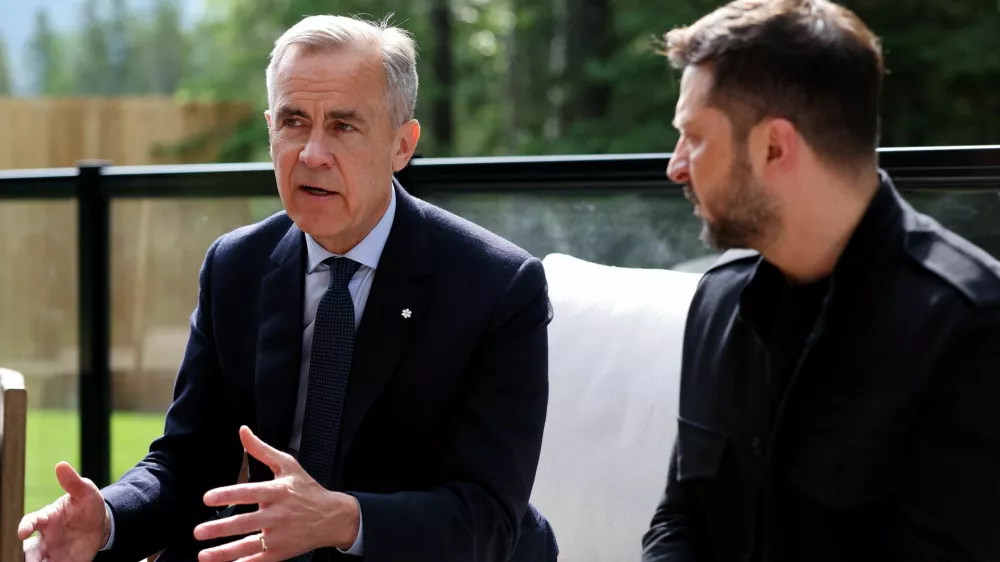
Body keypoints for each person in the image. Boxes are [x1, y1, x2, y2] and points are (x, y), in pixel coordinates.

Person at [20, 14, 558, 562]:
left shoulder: (496, 285)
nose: (312, 154)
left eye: (343, 126)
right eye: (294, 121)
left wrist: (340, 519)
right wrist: (108, 519)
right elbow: (189, 460)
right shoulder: (236, 265)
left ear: (402, 145)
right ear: (270, 128)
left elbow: (488, 517)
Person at [641, 1, 1000, 561]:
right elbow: (682, 516)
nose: (676, 166)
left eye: (695, 137)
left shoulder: (970, 328)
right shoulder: (718, 300)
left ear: (774, 147)